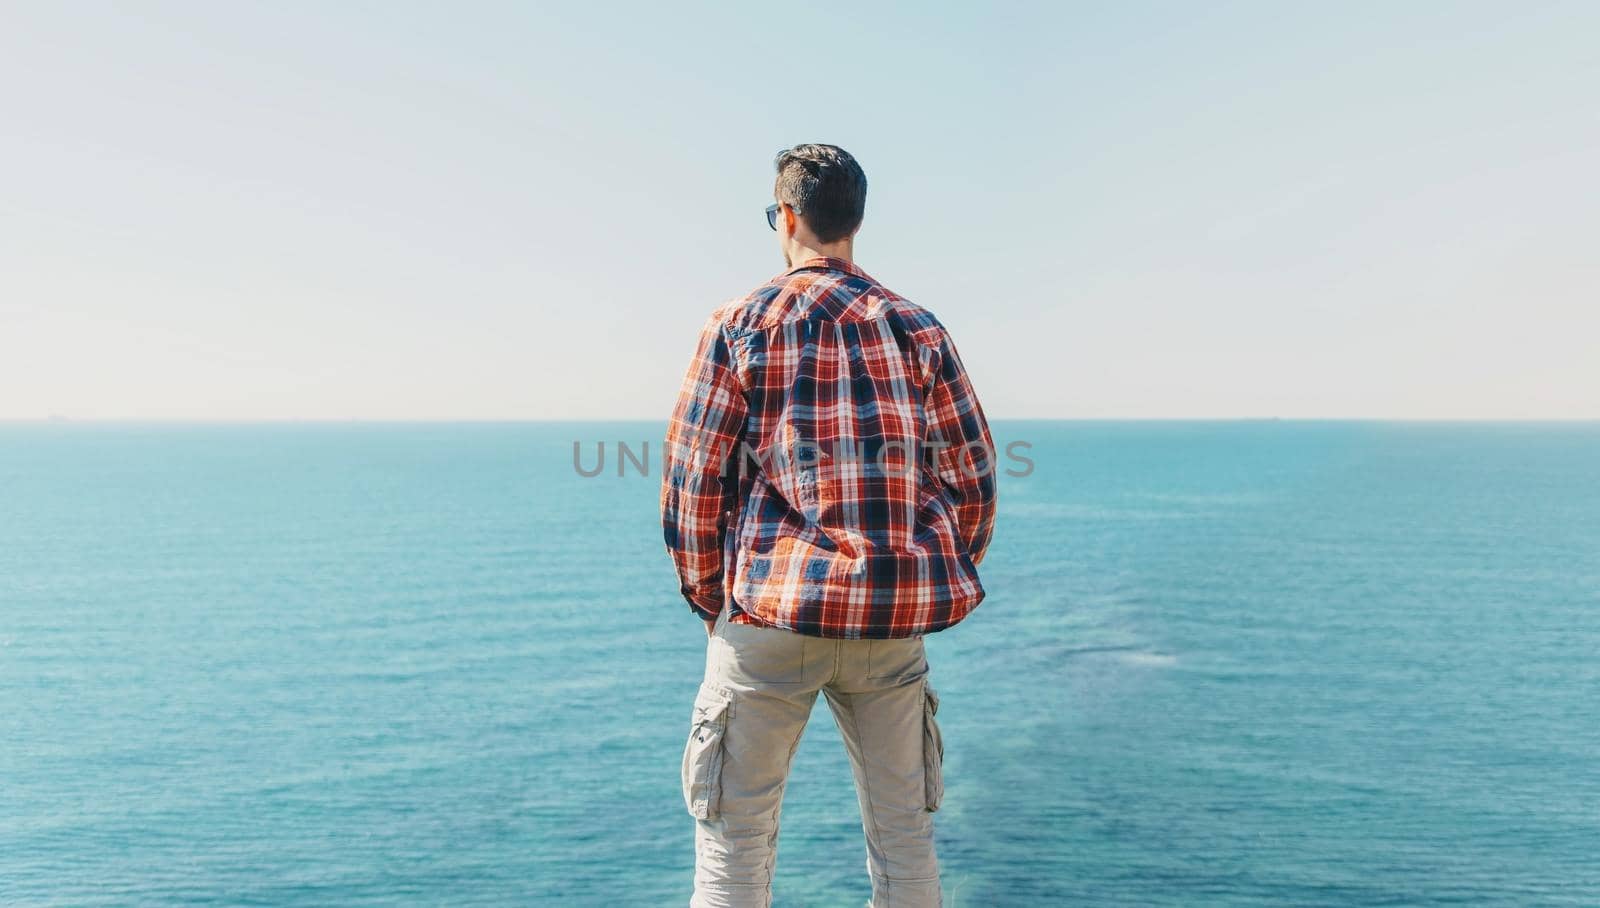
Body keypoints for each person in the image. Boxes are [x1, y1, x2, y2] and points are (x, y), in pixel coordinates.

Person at [661, 143, 997, 908]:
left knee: (735, 850)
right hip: (889, 622)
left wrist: (714, 600)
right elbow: (973, 476)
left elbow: (692, 482)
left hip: (769, 614)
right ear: (857, 220)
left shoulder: (740, 323)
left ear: (784, 218)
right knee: (904, 840)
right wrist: (923, 567)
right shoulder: (919, 329)